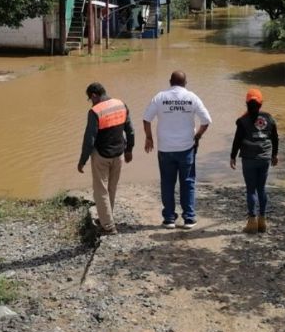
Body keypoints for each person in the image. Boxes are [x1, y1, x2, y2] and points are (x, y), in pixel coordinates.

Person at [143, 71, 212, 229]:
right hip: (186, 148)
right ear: (185, 82)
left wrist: (149, 137)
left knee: (167, 183)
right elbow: (206, 120)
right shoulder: (192, 97)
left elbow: (146, 118)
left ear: (170, 82)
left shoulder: (160, 97)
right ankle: (189, 218)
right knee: (187, 182)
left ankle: (169, 219)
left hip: (165, 148)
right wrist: (198, 136)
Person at [78, 82, 135, 235]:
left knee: (100, 190)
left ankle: (108, 226)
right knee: (112, 188)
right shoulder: (121, 104)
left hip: (102, 156)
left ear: (94, 95)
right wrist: (129, 149)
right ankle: (106, 218)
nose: (91, 102)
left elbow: (89, 139)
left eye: (90, 99)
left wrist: (82, 160)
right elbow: (130, 131)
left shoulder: (95, 111)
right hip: (119, 154)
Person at [230, 88, 279, 234]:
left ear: (246, 103)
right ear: (261, 103)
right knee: (261, 188)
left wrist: (233, 156)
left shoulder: (242, 121)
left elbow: (237, 140)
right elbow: (275, 138)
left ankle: (252, 222)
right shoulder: (269, 118)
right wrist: (274, 155)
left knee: (251, 190)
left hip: (249, 159)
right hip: (264, 158)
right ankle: (262, 222)